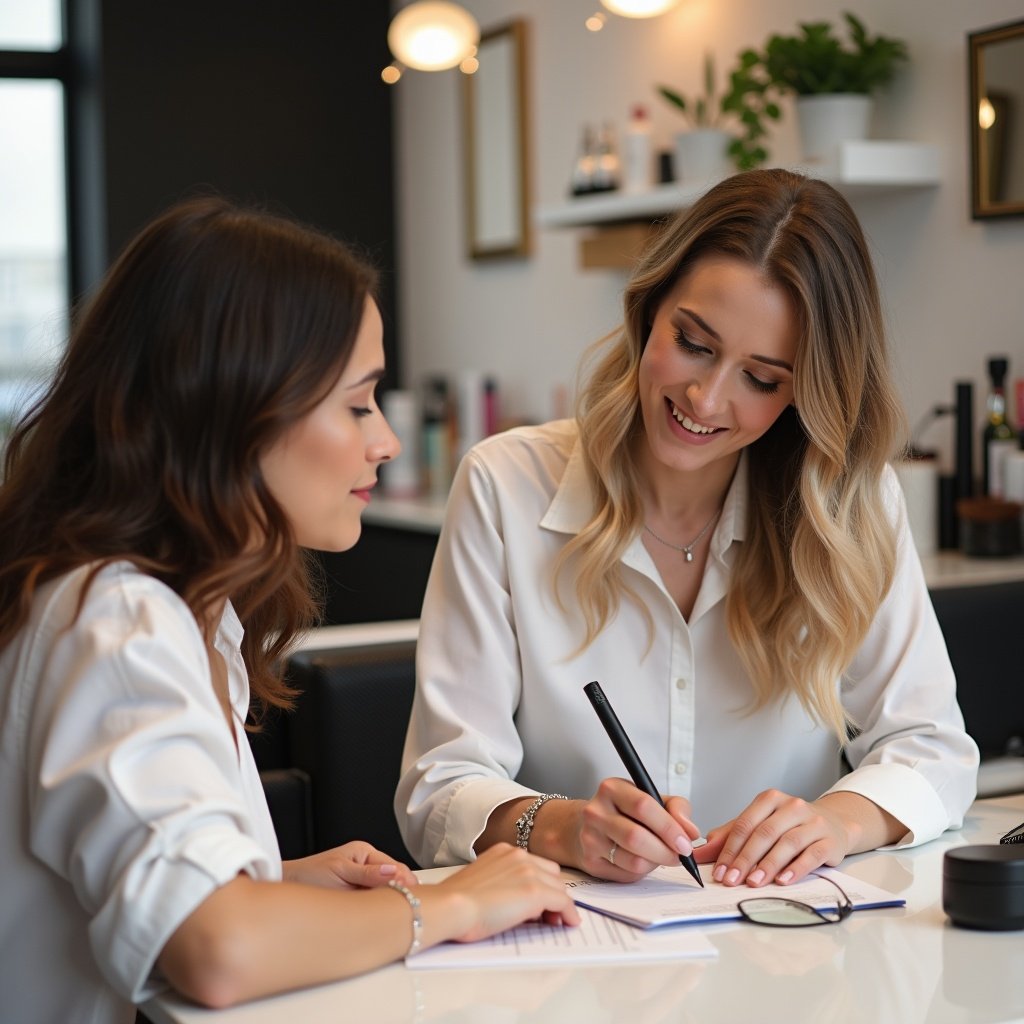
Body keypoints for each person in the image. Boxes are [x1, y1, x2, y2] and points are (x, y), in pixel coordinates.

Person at [0, 196, 579, 1024]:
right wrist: (453, 906)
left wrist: (276, 879)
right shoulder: (119, 625)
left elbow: (133, 877)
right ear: (236, 410)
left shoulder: (173, 609)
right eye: (356, 405)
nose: (382, 440)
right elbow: (217, 950)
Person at [396, 168, 979, 890]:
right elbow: (437, 786)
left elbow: (932, 748)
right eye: (694, 342)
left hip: (787, 951)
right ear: (650, 310)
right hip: (573, 958)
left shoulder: (850, 505)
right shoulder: (506, 486)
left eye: (762, 379)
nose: (706, 398)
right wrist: (558, 825)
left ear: (807, 391)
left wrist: (836, 821)